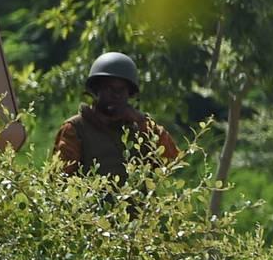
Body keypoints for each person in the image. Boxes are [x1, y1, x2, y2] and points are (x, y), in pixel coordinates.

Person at [52, 51, 180, 178]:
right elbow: (60, 178)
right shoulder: (75, 129)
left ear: (129, 93)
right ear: (97, 90)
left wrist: (142, 123)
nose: (116, 95)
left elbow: (172, 162)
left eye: (121, 89)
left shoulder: (141, 128)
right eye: (109, 88)